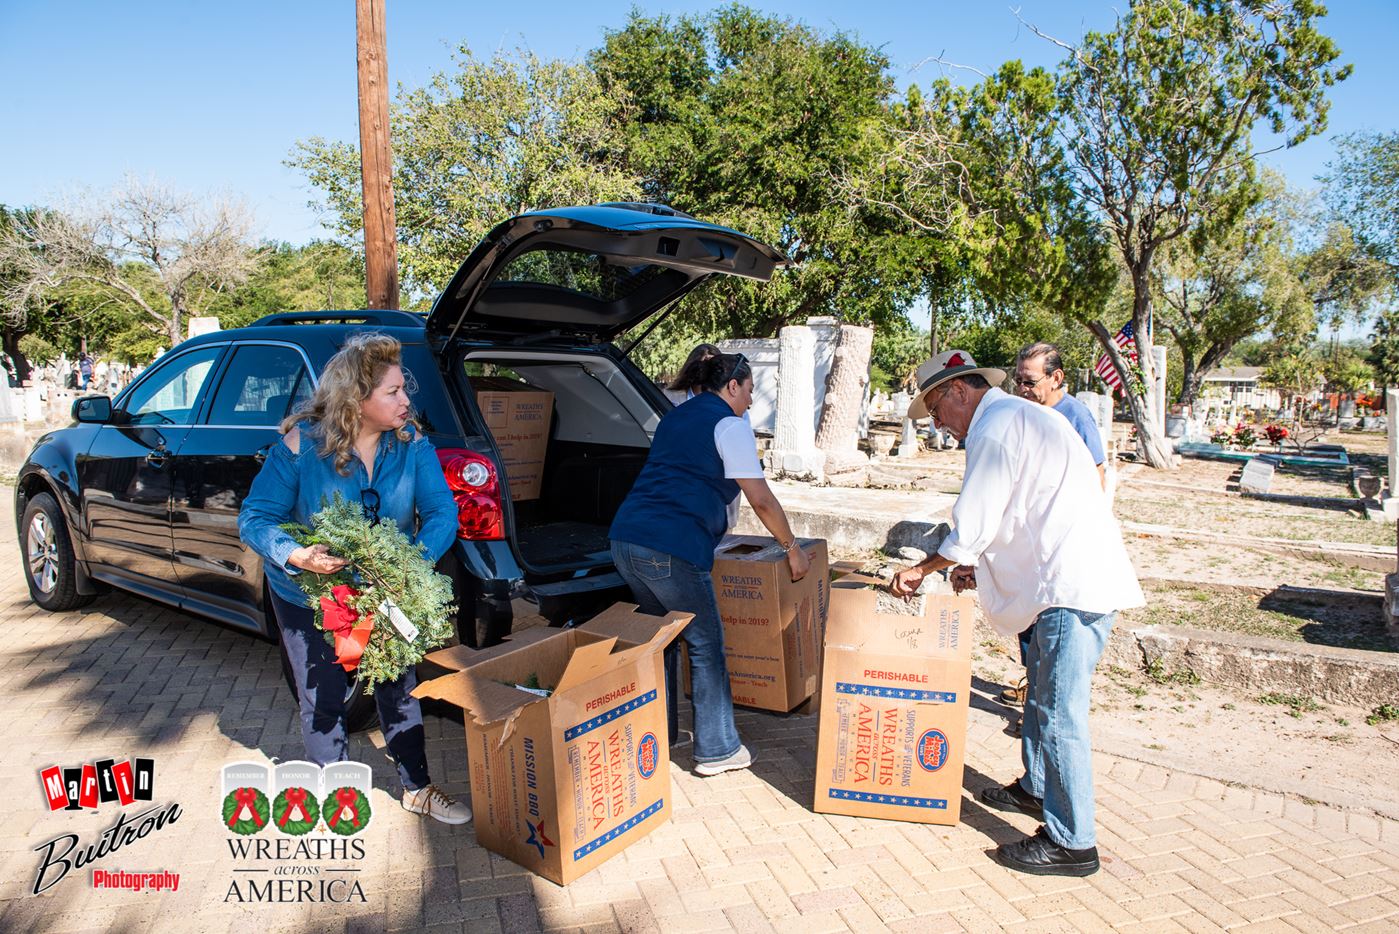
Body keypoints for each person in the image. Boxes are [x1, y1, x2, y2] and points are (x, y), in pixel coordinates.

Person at [892, 349, 1143, 877]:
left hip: (1069, 589)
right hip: (1069, 581)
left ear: (960, 391)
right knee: (1045, 703)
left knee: (1058, 714)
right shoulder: (1019, 418)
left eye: (937, 411)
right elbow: (1022, 514)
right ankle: (1036, 790)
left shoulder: (997, 427)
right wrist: (977, 568)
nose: (939, 425)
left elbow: (976, 522)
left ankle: (1073, 843)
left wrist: (926, 568)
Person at [238, 332, 471, 825]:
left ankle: (417, 789)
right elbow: (256, 519)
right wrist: (297, 554)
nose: (406, 399)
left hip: (387, 594)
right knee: (322, 695)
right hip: (309, 596)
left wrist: (403, 569)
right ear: (356, 399)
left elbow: (441, 514)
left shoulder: (411, 443)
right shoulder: (302, 445)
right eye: (392, 391)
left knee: (399, 688)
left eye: (403, 389)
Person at [610, 351, 810, 777]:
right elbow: (760, 497)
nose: (751, 402)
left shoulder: (675, 417)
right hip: (669, 548)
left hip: (625, 540)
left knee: (659, 641)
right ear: (732, 385)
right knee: (705, 644)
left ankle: (660, 734)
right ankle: (717, 750)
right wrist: (791, 546)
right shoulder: (729, 424)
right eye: (750, 391)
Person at [1001, 342, 1110, 716]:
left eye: (1029, 381)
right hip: (1029, 543)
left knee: (1051, 631)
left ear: (1056, 378)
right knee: (1029, 625)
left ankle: (1040, 702)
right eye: (1018, 381)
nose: (1022, 389)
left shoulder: (1075, 416)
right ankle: (1032, 686)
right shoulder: (1026, 414)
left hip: (1061, 544)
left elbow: (1096, 475)